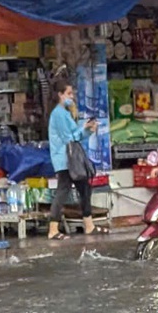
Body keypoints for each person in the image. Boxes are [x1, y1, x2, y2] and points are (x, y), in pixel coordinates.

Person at [46, 78, 97, 240]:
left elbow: (76, 136)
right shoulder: (58, 114)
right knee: (63, 190)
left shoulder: (64, 113)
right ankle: (53, 229)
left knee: (84, 189)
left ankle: (89, 225)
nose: (72, 96)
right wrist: (84, 128)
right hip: (64, 159)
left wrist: (88, 130)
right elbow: (69, 137)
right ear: (60, 95)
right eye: (69, 93)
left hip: (70, 159)